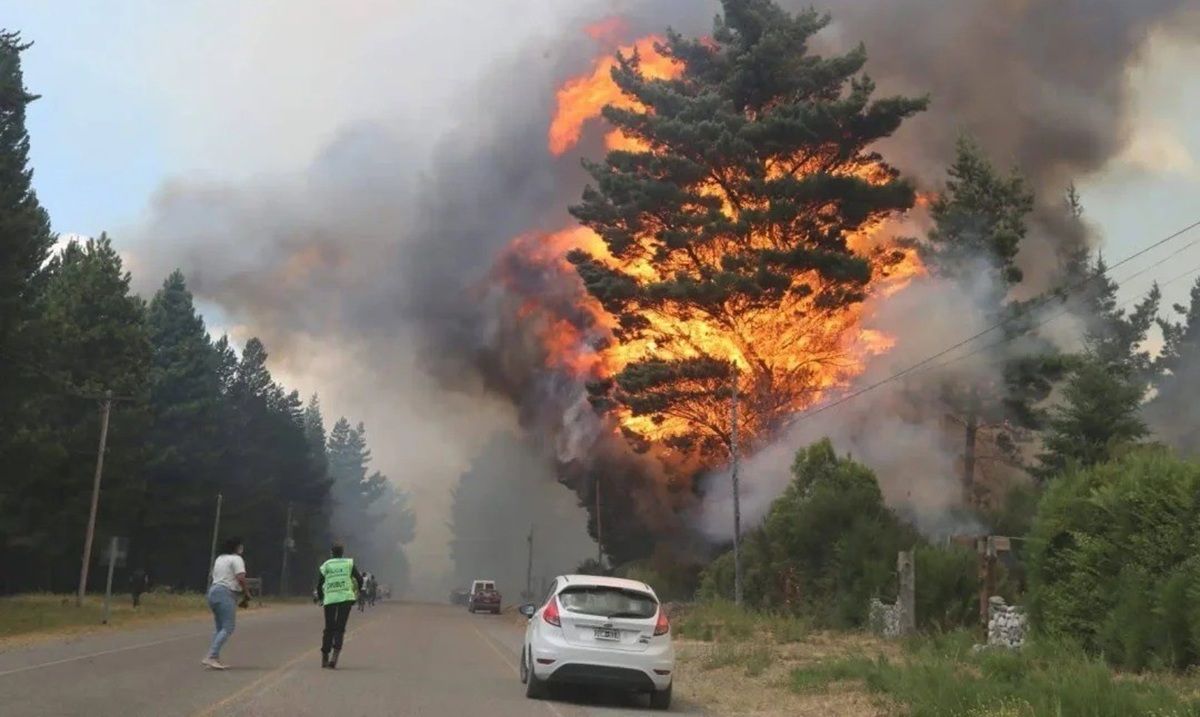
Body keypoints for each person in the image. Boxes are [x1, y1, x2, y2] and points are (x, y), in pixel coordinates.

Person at [204, 537, 249, 670]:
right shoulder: (236, 559)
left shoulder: (220, 558)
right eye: (240, 546)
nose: (242, 548)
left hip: (213, 591)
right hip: (226, 592)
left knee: (220, 628)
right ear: (236, 547)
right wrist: (246, 592)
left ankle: (214, 658)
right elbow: (240, 577)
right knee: (228, 627)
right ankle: (211, 656)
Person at [317, 543, 362, 669]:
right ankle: (334, 657)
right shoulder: (349, 563)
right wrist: (358, 591)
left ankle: (324, 657)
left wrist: (321, 598)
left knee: (329, 628)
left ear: (331, 553)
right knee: (340, 628)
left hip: (330, 598)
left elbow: (320, 584)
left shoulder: (326, 565)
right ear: (342, 553)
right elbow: (359, 579)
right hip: (346, 598)